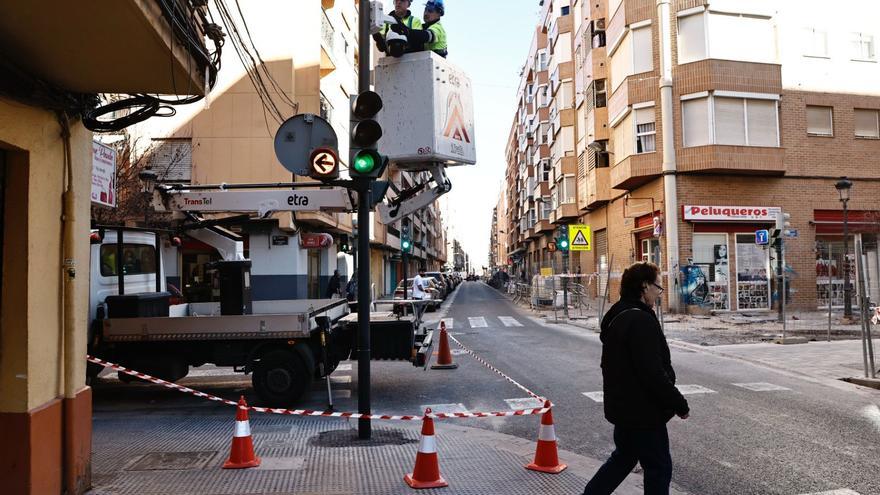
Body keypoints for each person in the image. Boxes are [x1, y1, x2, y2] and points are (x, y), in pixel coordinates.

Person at [583, 262, 689, 495]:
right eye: (657, 287)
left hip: (623, 407)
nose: (658, 293)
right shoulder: (640, 321)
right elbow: (652, 372)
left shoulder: (617, 315)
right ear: (644, 287)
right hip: (644, 412)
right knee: (658, 467)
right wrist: (678, 402)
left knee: (624, 458)